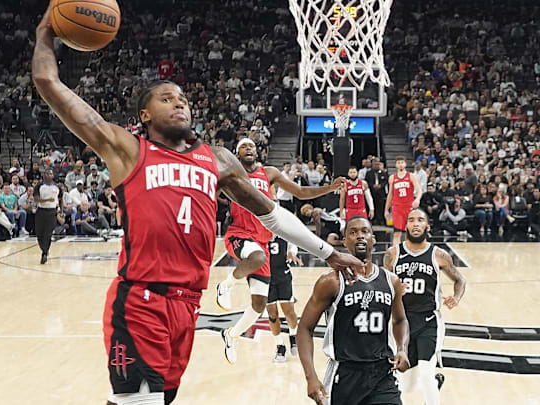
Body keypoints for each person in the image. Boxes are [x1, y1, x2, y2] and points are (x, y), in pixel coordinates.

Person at [32, 8, 363, 403]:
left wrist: (328, 253)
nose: (179, 103)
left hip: (188, 305)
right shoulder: (126, 149)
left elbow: (272, 215)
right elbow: (47, 81)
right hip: (141, 300)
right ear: (144, 114)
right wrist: (45, 33)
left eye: (183, 98)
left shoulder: (218, 159)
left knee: (156, 399)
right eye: (166, 98)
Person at [215, 138, 342, 364]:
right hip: (239, 234)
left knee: (258, 306)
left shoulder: (269, 173)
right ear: (236, 153)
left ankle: (231, 335)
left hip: (261, 241)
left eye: (252, 146)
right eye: (244, 146)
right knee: (257, 256)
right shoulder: (230, 174)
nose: (249, 149)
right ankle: (226, 284)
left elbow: (300, 191)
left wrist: (330, 188)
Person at [297, 215, 410, 405]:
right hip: (345, 373)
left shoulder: (391, 281)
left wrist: (402, 349)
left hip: (382, 373)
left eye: (365, 231)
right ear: (345, 241)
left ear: (373, 239)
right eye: (353, 232)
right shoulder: (330, 282)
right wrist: (311, 377)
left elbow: (400, 320)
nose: (360, 236)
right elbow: (304, 329)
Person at [383, 209, 466, 405]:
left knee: (426, 375)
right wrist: (393, 288)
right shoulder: (392, 254)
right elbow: (383, 283)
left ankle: (432, 384)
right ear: (406, 226)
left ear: (427, 226)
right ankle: (435, 382)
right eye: (411, 220)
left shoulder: (439, 255)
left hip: (430, 321)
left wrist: (456, 296)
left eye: (420, 220)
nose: (416, 223)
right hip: (401, 323)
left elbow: (460, 279)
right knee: (406, 385)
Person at [266, 234, 301, 363]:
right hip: (266, 277)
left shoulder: (283, 229)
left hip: (283, 276)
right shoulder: (259, 230)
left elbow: (293, 244)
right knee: (272, 314)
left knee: (289, 313)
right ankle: (280, 346)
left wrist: (291, 253)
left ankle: (293, 336)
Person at [385, 156, 422, 246]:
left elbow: (419, 191)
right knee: (397, 233)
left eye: (402, 162)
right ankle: (396, 252)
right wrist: (386, 209)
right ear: (396, 165)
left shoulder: (411, 176)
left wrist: (417, 199)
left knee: (409, 232)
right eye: (398, 163)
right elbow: (390, 195)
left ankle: (408, 251)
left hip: (409, 207)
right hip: (397, 208)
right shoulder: (392, 178)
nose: (400, 164)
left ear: (405, 164)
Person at [34, 168, 59, 264]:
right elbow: (36, 199)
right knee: (39, 234)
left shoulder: (57, 187)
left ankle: (44, 253)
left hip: (52, 212)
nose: (49, 175)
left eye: (51, 174)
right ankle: (44, 249)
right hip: (41, 211)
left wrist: (60, 209)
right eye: (47, 173)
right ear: (44, 175)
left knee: (48, 234)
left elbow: (60, 198)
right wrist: (47, 200)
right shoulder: (39, 186)